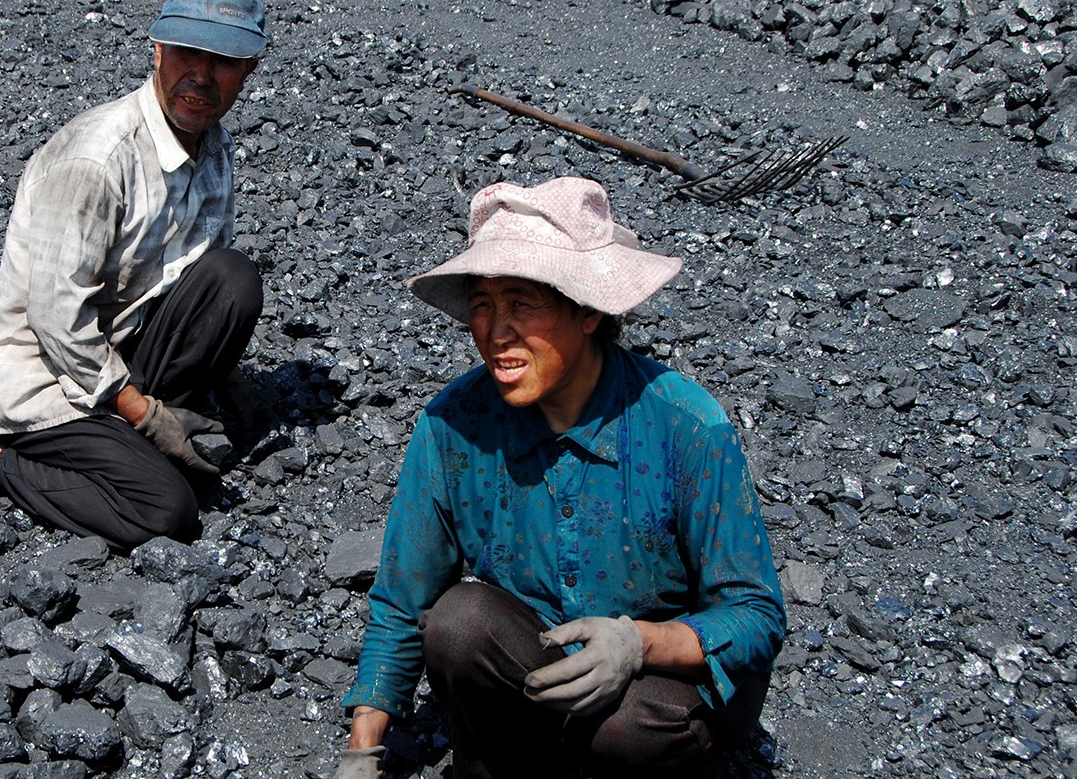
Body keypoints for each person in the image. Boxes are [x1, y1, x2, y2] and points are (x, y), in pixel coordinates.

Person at [336, 177, 786, 778]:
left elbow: (756, 615)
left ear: (590, 310)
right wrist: (362, 749)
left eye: (523, 303)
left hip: (661, 685)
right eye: (482, 305)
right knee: (459, 621)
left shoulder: (687, 427)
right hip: (539, 659)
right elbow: (402, 598)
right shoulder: (453, 428)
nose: (496, 333)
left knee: (631, 728)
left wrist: (638, 644)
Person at [0, 0, 269, 552]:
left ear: (248, 70)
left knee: (234, 278)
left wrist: (228, 381)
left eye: (223, 60)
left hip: (120, 345)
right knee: (168, 510)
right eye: (185, 53)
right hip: (47, 373)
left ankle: (115, 435)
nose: (200, 76)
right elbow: (57, 319)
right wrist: (147, 417)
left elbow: (194, 281)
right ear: (157, 51)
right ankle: (1, 457)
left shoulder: (213, 145)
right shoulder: (96, 160)